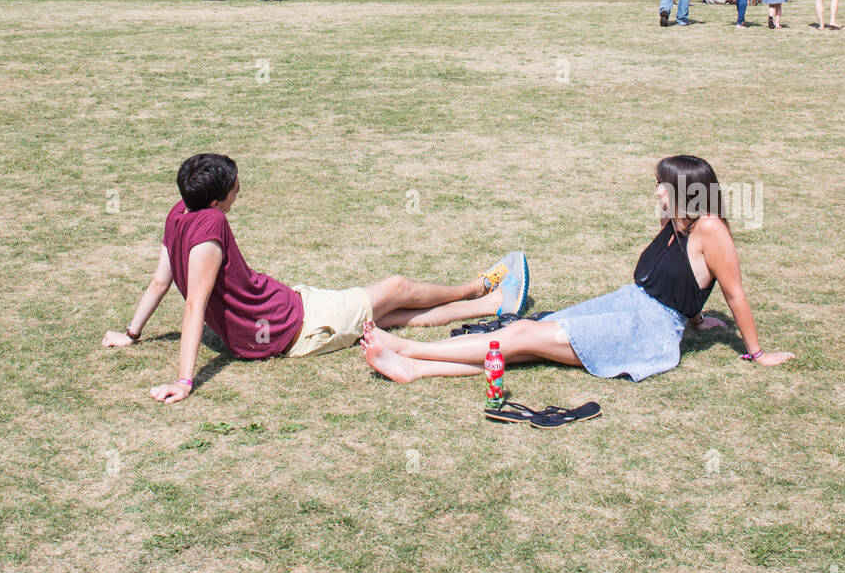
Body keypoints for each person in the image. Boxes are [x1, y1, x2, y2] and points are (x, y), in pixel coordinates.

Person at [101, 153, 530, 402]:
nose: (240, 191)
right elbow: (194, 305)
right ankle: (481, 286)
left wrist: (131, 333)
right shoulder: (211, 229)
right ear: (215, 200)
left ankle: (492, 306)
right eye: (235, 187)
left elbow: (160, 282)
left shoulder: (179, 213)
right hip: (298, 325)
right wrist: (184, 380)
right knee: (396, 288)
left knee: (390, 315)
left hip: (287, 309)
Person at [359, 154, 795, 386]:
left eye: (661, 184)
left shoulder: (711, 227)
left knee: (523, 336)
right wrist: (698, 319)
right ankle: (414, 368)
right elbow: (685, 281)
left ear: (682, 190)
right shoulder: (674, 224)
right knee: (526, 341)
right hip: (627, 305)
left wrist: (755, 353)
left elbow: (733, 291)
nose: (656, 190)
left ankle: (409, 348)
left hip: (646, 331)